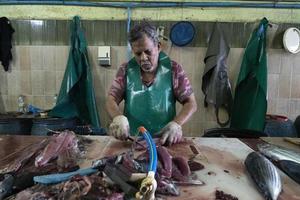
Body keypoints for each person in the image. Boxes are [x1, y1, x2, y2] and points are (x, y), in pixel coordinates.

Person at [106, 21, 197, 146]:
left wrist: (177, 123)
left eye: (148, 51)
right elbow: (111, 99)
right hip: (133, 141)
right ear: (132, 50)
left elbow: (191, 103)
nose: (143, 58)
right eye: (138, 53)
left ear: (158, 46)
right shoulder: (125, 70)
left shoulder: (174, 69)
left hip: (164, 141)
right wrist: (117, 117)